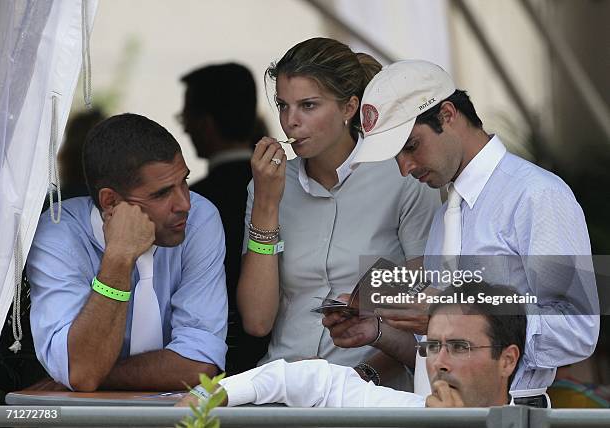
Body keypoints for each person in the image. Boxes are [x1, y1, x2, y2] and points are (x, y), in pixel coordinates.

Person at [325, 59, 599, 407]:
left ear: (448, 114)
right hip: (438, 410)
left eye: (410, 146)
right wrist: (380, 330)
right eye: (396, 156)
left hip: (510, 413)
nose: (405, 168)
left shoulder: (537, 195)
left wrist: (454, 317)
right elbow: (448, 351)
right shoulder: (446, 215)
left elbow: (578, 329)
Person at [236, 38, 440, 386]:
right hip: (285, 382)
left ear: (349, 108)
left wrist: (365, 377)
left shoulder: (404, 176)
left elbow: (425, 308)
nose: (290, 122)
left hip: (373, 389)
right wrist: (266, 207)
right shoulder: (268, 185)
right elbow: (257, 321)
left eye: (308, 105)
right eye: (283, 106)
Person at [27, 113, 228, 391]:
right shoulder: (58, 234)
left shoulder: (200, 219)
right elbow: (82, 372)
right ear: (110, 201)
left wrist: (84, 375)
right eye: (161, 194)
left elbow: (199, 365)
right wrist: (118, 259)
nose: (184, 204)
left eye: (184, 181)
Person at [178, 283, 525, 408]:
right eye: (432, 347)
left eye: (460, 347)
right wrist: (210, 394)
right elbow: (314, 379)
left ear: (507, 360)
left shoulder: (549, 424)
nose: (441, 362)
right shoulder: (412, 410)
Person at [179, 63, 269, 374]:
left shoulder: (190, 204)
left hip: (205, 361)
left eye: (186, 118)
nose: (185, 129)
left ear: (204, 124)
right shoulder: (287, 188)